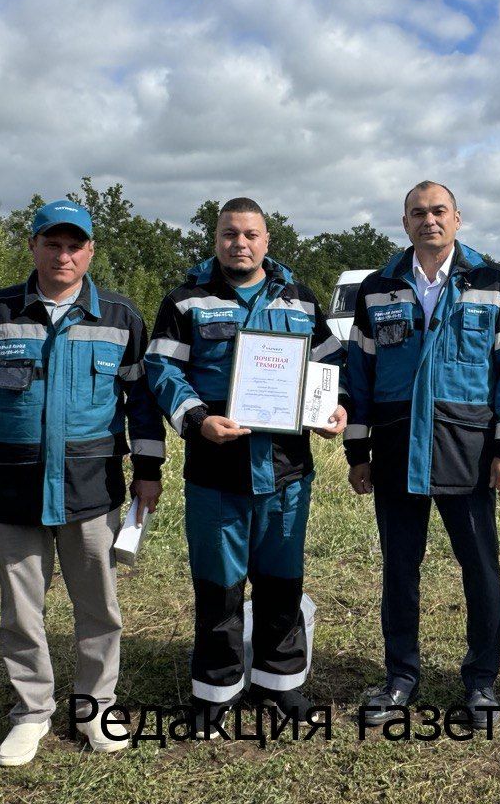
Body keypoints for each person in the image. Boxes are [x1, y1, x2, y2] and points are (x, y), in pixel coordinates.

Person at [0, 200, 166, 765]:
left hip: (91, 486)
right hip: (12, 488)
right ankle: (31, 714)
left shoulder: (119, 316)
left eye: (75, 245)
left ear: (91, 251)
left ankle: (96, 707)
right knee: (21, 609)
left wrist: (148, 471)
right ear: (34, 247)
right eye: (52, 244)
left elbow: (141, 403)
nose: (63, 255)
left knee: (99, 606)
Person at [144, 197, 346, 735]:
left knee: (282, 581)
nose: (241, 243)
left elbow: (331, 363)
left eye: (251, 235)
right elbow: (162, 369)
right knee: (219, 585)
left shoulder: (300, 300)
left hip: (285, 470)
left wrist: (332, 408)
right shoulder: (186, 301)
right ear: (216, 239)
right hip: (217, 469)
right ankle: (216, 690)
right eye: (230, 234)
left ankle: (280, 684)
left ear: (266, 241)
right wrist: (197, 420)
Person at [344, 181, 500, 729]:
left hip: (468, 449)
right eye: (417, 213)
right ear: (404, 223)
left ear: (458, 218)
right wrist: (359, 449)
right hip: (398, 447)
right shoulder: (377, 289)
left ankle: (481, 682)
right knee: (400, 568)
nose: (429, 221)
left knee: (479, 568)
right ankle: (401, 676)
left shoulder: (494, 284)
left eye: (439, 211)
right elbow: (360, 374)